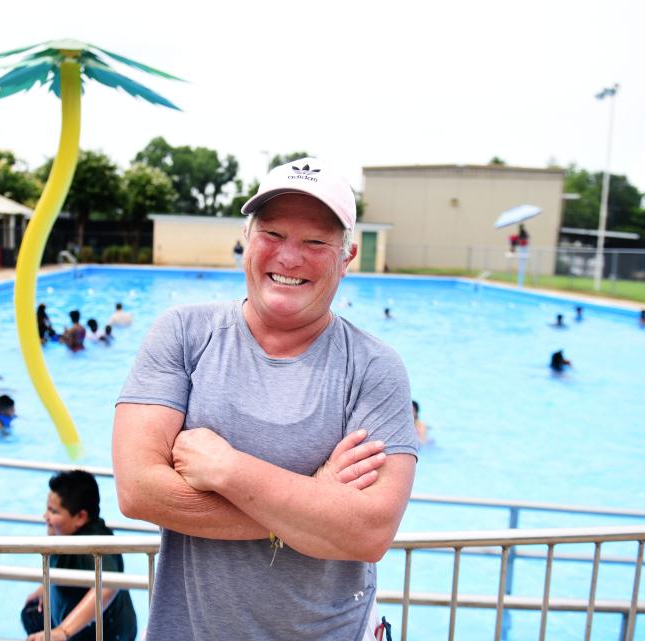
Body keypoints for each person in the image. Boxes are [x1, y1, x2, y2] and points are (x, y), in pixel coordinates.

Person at [112, 157, 417, 641]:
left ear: (347, 257)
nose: (289, 257)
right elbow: (137, 491)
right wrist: (313, 501)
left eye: (315, 242)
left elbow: (369, 533)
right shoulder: (185, 335)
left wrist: (230, 470)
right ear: (247, 240)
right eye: (272, 234)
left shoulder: (374, 367)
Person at [22, 470, 137, 641]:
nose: (45, 517)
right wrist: (45, 588)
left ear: (80, 517)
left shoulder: (94, 543)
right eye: (47, 509)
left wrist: (63, 631)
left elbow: (108, 585)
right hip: (85, 622)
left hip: (108, 635)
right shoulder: (65, 535)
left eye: (54, 512)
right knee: (32, 614)